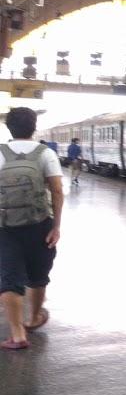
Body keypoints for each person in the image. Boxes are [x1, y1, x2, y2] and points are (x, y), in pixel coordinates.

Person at [0, 107, 63, 350]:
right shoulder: (45, 154)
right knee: (38, 275)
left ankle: (17, 334)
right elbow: (57, 191)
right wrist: (56, 226)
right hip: (39, 224)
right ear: (34, 127)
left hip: (5, 226)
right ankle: (35, 318)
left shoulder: (1, 154)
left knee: (8, 278)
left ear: (9, 128)